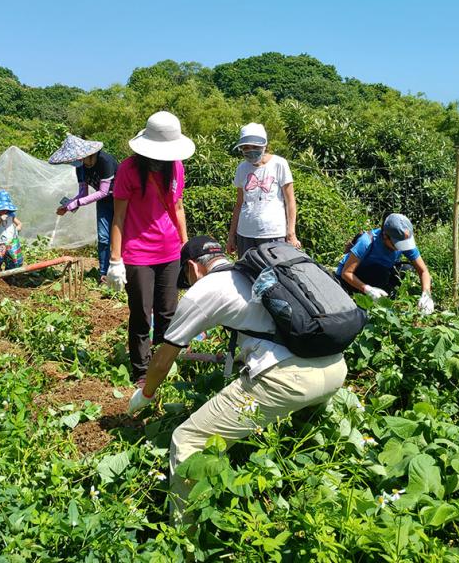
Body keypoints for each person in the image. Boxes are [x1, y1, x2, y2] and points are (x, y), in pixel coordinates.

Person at [127, 236, 348, 521]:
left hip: (290, 381)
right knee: (291, 434)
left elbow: (162, 359)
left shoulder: (205, 289)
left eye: (186, 277)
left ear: (193, 268)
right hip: (335, 368)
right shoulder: (255, 274)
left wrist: (146, 394)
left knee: (187, 440)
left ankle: (182, 539)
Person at [106, 111, 193, 382]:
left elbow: (178, 207)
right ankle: (142, 371)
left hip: (170, 250)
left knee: (168, 312)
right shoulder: (128, 169)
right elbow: (118, 216)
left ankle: (165, 363)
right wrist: (115, 260)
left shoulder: (176, 166)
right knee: (142, 313)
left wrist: (186, 246)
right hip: (138, 253)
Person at [50, 135, 118, 282]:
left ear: (86, 154)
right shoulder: (80, 168)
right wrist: (67, 206)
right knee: (104, 237)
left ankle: (124, 270)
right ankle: (104, 274)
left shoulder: (104, 161)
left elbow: (103, 191)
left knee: (123, 236)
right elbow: (83, 193)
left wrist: (76, 204)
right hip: (104, 202)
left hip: (121, 201)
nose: (75, 162)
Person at [226, 123, 300, 258]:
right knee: (247, 275)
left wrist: (291, 233)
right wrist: (232, 236)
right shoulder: (242, 168)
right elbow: (239, 204)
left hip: (273, 233)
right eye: (246, 148)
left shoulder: (279, 164)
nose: (250, 151)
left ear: (264, 146)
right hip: (245, 233)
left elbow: (290, 201)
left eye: (255, 147)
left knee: (274, 274)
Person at [336, 213, 434, 314]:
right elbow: (346, 273)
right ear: (385, 236)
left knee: (407, 269)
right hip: (352, 276)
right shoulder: (367, 241)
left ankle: (387, 297)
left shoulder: (403, 240)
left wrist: (426, 295)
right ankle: (364, 299)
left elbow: (423, 271)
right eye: (397, 244)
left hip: (379, 272)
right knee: (380, 273)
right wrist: (367, 289)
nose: (401, 248)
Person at [0, 190, 23, 273]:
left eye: (5, 208)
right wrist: (0, 220)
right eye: (0, 209)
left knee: (12, 259)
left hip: (11, 242)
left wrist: (18, 228)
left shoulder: (11, 216)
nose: (3, 210)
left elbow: (19, 223)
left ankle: (9, 274)